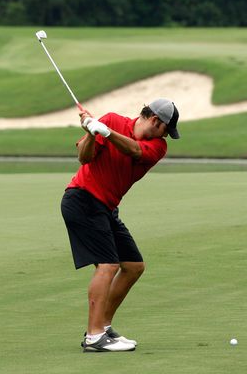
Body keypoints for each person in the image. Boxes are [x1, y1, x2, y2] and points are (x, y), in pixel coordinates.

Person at [60, 98, 180, 352]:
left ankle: (102, 326)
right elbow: (84, 158)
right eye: (166, 130)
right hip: (82, 200)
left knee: (133, 266)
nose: (166, 136)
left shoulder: (157, 147)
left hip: (105, 208)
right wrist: (92, 133)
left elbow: (134, 151)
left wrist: (105, 131)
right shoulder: (112, 120)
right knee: (108, 264)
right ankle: (94, 337)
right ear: (156, 121)